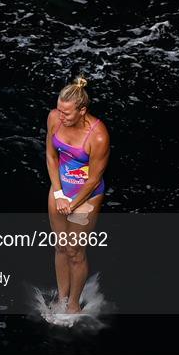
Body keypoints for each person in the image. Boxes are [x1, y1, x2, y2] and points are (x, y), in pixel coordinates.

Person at [46, 76, 110, 314]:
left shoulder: (98, 136)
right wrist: (60, 193)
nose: (61, 117)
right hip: (60, 190)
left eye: (67, 113)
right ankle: (62, 298)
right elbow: (51, 156)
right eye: (59, 110)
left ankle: (74, 304)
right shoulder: (54, 117)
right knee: (61, 246)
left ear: (82, 110)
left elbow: (94, 179)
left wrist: (73, 203)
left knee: (75, 251)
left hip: (86, 196)